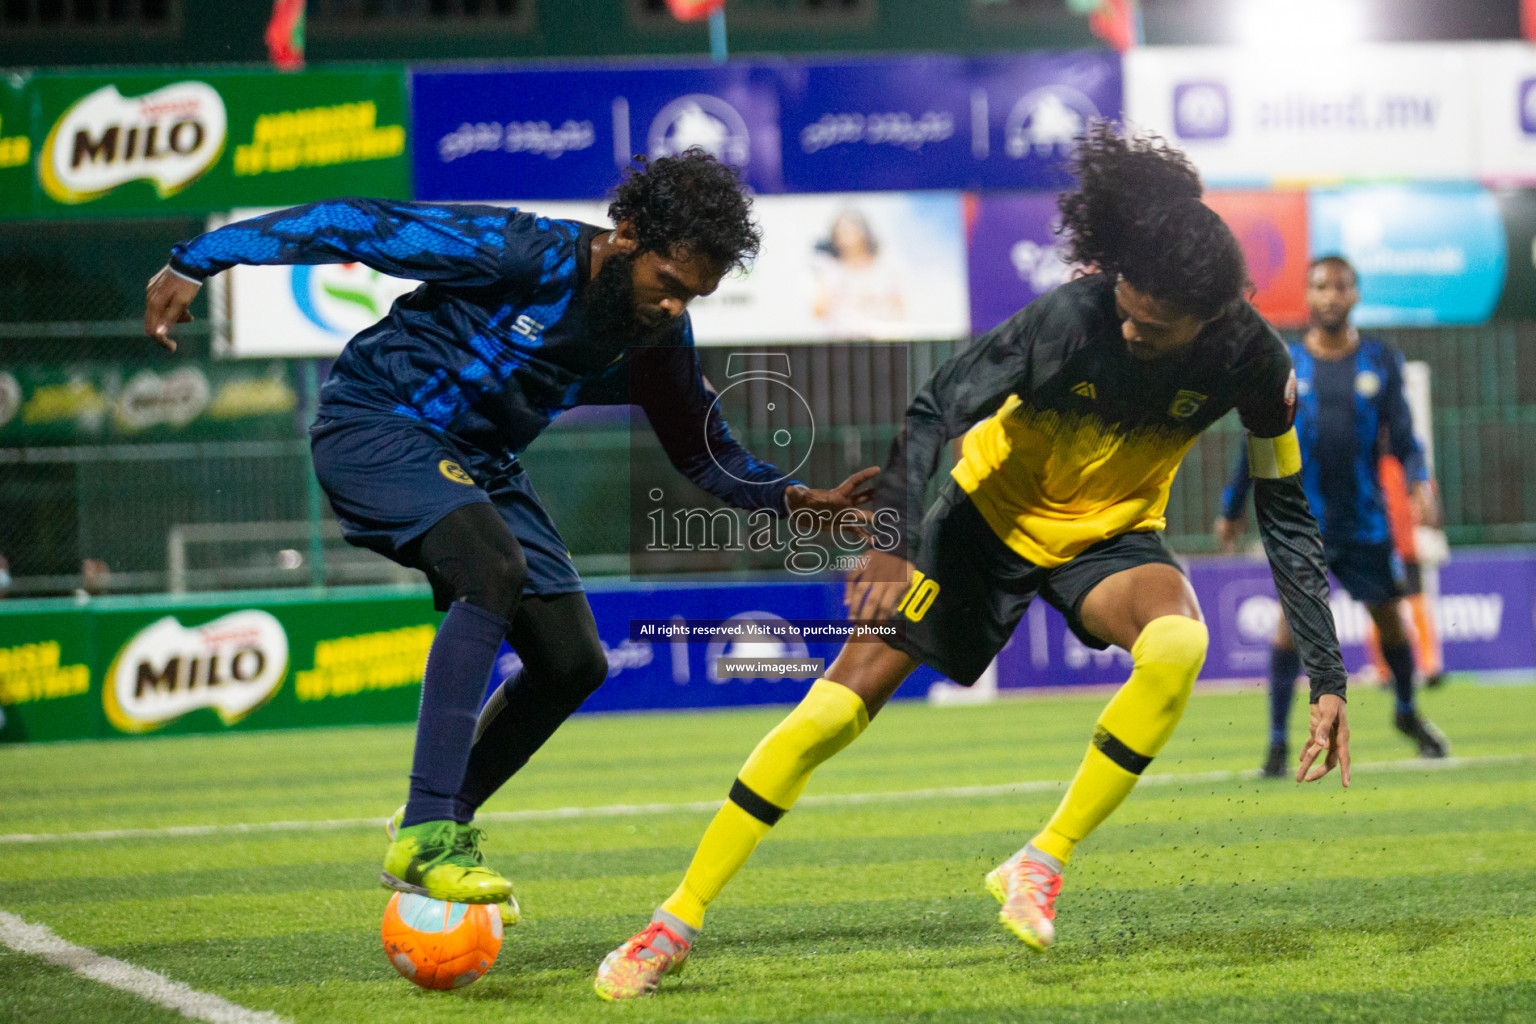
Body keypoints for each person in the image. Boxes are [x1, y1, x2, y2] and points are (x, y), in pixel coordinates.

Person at [593, 123, 1351, 1000]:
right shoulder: (1073, 317)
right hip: (981, 521)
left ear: (1212, 317)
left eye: (1155, 325)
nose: (1132, 329)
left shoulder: (1255, 361)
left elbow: (1285, 510)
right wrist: (890, 541)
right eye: (1127, 308)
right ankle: (672, 924)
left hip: (1106, 541)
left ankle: (1042, 860)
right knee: (827, 719)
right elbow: (931, 408)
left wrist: (1326, 674)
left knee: (1180, 645)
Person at [142, 150, 876, 919]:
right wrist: (196, 262)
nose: (672, 308)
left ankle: (437, 818)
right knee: (493, 569)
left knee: (572, 662)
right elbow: (358, 225)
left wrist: (792, 500)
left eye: (694, 295)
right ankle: (428, 833)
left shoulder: (658, 334)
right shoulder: (522, 251)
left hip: (479, 462)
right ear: (628, 235)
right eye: (669, 283)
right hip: (376, 421)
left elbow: (703, 448)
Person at [1216, 255, 1448, 776]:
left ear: (1355, 294)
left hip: (1365, 523)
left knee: (1391, 621)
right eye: (1321, 286)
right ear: (1309, 295)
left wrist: (1419, 484)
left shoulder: (1381, 362)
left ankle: (1407, 714)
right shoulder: (1288, 363)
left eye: (1340, 286)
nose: (1331, 295)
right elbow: (1256, 440)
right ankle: (1276, 745)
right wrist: (1231, 509)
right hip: (1305, 526)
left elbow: (1405, 438)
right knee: (1288, 630)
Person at [810, 209, 907, 340]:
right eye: (841, 232)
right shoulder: (831, 271)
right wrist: (820, 272)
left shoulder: (886, 267)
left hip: (881, 343)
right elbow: (819, 312)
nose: (846, 237)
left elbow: (899, 308)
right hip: (843, 344)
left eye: (851, 230)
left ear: (864, 233)